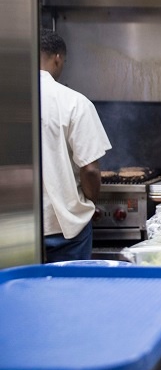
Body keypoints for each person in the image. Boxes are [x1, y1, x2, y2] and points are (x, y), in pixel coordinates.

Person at [39, 29, 111, 262]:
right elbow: (90, 169)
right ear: (57, 58)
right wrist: (91, 199)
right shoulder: (74, 102)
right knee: (70, 294)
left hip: (15, 230)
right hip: (64, 229)